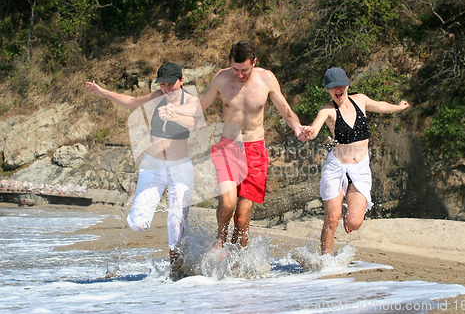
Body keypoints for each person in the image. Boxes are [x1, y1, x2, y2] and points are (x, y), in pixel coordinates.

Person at [173, 41, 304, 250]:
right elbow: (200, 106)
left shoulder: (266, 79)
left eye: (244, 70)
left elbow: (286, 110)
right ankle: (219, 242)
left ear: (254, 62)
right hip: (228, 147)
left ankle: (238, 263)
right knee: (228, 202)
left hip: (255, 150)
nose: (240, 74)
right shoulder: (222, 78)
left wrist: (297, 127)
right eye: (235, 69)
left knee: (242, 218)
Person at [85, 63, 202, 276]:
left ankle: (176, 270)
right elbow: (132, 102)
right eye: (163, 84)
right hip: (153, 167)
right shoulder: (158, 96)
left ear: (182, 81)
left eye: (171, 84)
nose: (167, 89)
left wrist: (174, 114)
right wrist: (103, 92)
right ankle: (186, 246)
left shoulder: (191, 100)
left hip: (180, 167)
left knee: (175, 222)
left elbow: (194, 121)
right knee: (138, 223)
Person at [299, 67, 410, 255]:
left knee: (353, 223)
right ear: (327, 89)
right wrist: (309, 132)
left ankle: (343, 208)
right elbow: (316, 127)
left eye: (341, 86)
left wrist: (398, 107)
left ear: (347, 85)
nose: (338, 90)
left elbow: (381, 106)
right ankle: (325, 260)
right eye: (333, 87)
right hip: (337, 168)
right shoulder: (328, 110)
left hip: (360, 169)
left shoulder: (360, 100)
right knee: (332, 221)